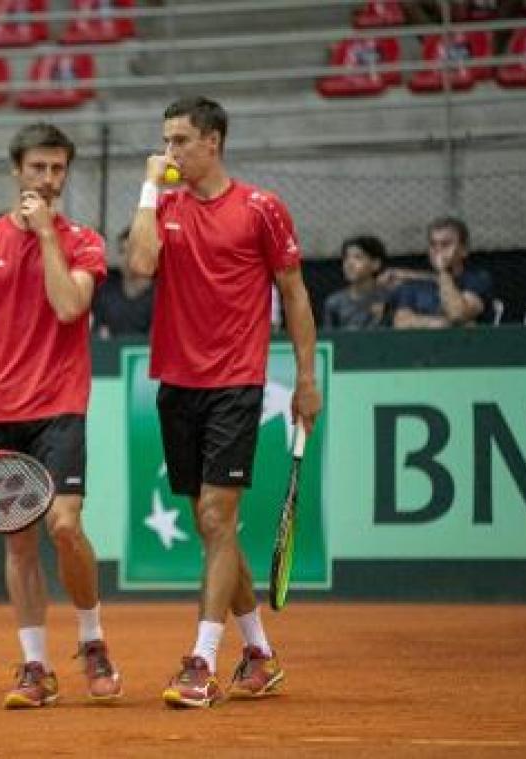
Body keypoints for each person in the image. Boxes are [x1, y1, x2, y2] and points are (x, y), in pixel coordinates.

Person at [127, 96, 322, 708]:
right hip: (175, 384)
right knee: (215, 531)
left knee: (216, 519)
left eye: (180, 140)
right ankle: (259, 654)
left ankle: (201, 662)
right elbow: (137, 263)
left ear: (212, 142)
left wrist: (307, 378)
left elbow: (294, 293)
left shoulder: (261, 209)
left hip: (237, 381)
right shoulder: (166, 205)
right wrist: (148, 188)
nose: (170, 152)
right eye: (166, 141)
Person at [0, 122, 122, 709]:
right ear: (16, 169)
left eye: (58, 169)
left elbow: (70, 306)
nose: (48, 178)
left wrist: (45, 235)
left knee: (64, 526)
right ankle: (35, 665)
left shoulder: (84, 241)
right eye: (38, 167)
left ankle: (92, 639)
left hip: (60, 405)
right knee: (18, 545)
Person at [391, 216, 494, 329]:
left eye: (445, 244)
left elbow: (457, 314)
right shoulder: (414, 285)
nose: (438, 250)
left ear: (463, 250)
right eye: (433, 244)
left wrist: (442, 271)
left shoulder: (477, 280)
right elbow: (401, 322)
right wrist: (438, 323)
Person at [92, 226, 154, 339]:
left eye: (132, 252)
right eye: (122, 252)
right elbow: (98, 331)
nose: (126, 258)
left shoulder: (161, 296)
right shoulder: (106, 290)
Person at [323, 235, 390, 330]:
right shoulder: (334, 302)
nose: (350, 264)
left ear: (375, 264)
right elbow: (330, 338)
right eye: (346, 258)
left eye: (358, 258)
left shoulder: (388, 298)